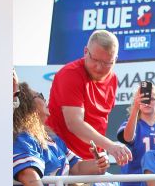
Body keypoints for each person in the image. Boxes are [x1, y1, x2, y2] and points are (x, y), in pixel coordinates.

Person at [13, 82, 103, 186]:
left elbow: (77, 168)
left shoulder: (52, 139)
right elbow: (27, 173)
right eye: (40, 96)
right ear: (28, 103)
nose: (44, 99)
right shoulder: (22, 137)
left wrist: (99, 164)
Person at [45, 30, 133, 172]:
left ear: (115, 60)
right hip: (63, 162)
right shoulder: (70, 74)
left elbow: (99, 122)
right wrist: (110, 146)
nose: (99, 68)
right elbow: (74, 123)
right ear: (86, 51)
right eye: (95, 60)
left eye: (106, 63)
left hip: (92, 163)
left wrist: (100, 156)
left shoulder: (113, 79)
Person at [114, 80, 155, 186]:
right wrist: (135, 109)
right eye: (143, 100)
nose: (147, 103)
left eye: (152, 99)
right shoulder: (132, 124)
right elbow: (128, 138)